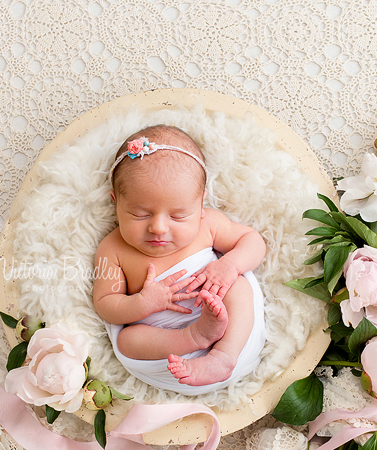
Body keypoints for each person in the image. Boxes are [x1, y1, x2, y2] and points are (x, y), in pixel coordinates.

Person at [92, 125, 267, 389]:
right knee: (127, 340)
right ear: (116, 202)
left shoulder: (209, 224)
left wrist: (229, 265)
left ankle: (222, 357)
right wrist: (142, 303)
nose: (159, 228)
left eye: (178, 216)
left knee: (239, 286)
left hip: (224, 321)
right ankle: (196, 336)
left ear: (200, 206)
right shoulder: (113, 248)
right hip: (166, 342)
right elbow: (105, 303)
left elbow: (253, 242)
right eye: (140, 214)